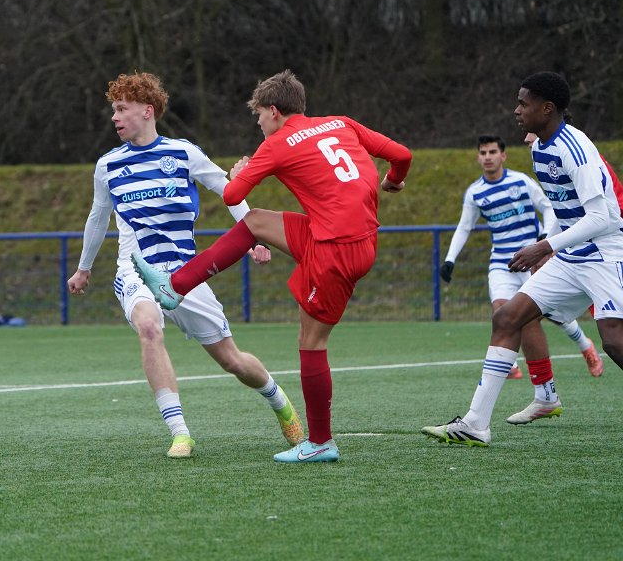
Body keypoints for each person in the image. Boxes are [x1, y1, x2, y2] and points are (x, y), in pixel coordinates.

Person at [133, 70, 413, 463]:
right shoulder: (341, 123)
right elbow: (402, 155)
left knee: (311, 343)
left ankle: (321, 442)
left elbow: (232, 193)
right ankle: (175, 286)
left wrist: (238, 174)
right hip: (350, 237)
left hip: (335, 251)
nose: (259, 123)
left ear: (275, 111)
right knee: (256, 222)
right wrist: (393, 181)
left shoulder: (278, 142)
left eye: (260, 115)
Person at [67, 71, 305, 459]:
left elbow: (229, 191)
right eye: (114, 110)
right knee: (148, 327)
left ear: (147, 111)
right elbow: (98, 217)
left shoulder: (183, 154)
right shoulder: (108, 166)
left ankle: (280, 403)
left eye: (122, 109)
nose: (115, 117)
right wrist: (84, 268)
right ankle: (180, 433)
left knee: (232, 361)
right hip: (136, 270)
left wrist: (254, 238)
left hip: (185, 275)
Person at [422, 72, 623, 447]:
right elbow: (563, 210)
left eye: (523, 103)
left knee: (613, 341)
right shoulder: (540, 148)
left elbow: (602, 218)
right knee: (507, 317)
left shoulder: (575, 149)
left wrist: (545, 247)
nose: (516, 110)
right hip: (571, 255)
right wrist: (550, 244)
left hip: (604, 252)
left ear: (546, 109)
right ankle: (475, 424)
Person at [439, 136, 602, 379]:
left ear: (503, 155)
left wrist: (544, 240)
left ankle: (585, 345)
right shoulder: (475, 193)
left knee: (551, 313)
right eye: (483, 153)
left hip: (531, 260)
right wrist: (450, 259)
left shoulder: (521, 181)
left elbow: (548, 207)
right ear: (478, 158)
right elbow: (464, 228)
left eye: (492, 152)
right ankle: (510, 364)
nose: (488, 157)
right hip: (501, 263)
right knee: (501, 310)